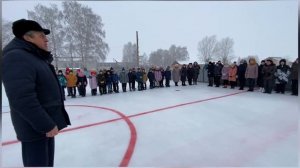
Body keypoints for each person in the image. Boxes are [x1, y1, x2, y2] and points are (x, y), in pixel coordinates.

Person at [2, 19, 71, 167]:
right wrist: (45, 124)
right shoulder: (16, 57)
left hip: (43, 127)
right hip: (35, 129)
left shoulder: (33, 56)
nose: (46, 39)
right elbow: (22, 98)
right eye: (41, 36)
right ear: (27, 38)